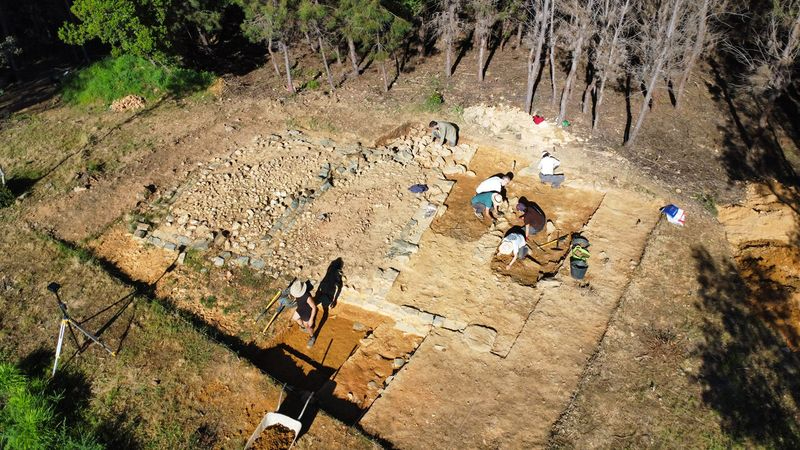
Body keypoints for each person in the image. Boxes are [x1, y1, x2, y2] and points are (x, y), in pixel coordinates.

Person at [289, 279, 317, 348]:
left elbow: (314, 307)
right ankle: (303, 327)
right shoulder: (297, 294)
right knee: (295, 318)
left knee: (308, 326)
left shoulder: (307, 297)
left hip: (307, 312)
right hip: (300, 308)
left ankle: (312, 337)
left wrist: (311, 319)